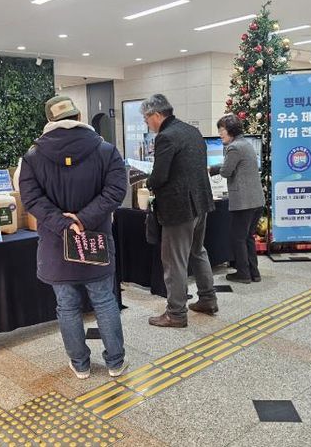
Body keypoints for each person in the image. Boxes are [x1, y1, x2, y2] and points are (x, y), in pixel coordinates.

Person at [19, 95, 128, 379]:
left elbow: (31, 199)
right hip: (95, 239)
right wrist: (84, 219)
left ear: (49, 121)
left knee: (67, 305)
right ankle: (115, 362)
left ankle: (80, 364)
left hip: (56, 245)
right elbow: (116, 191)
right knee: (104, 300)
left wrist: (64, 223)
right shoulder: (106, 150)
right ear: (79, 117)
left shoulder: (32, 157)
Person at [141, 94, 217, 327]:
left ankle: (176, 313)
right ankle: (208, 299)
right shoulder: (192, 131)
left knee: (174, 261)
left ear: (156, 115)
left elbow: (160, 176)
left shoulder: (165, 137)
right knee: (198, 251)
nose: (147, 124)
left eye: (146, 119)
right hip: (201, 203)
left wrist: (148, 182)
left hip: (179, 208)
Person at [210, 115, 265, 283]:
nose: (220, 133)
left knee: (238, 238)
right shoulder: (246, 144)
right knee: (248, 237)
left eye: (222, 130)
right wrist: (215, 168)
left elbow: (227, 171)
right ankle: (254, 273)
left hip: (243, 201)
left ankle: (243, 273)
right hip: (256, 200)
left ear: (231, 130)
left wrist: (213, 169)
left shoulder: (233, 147)